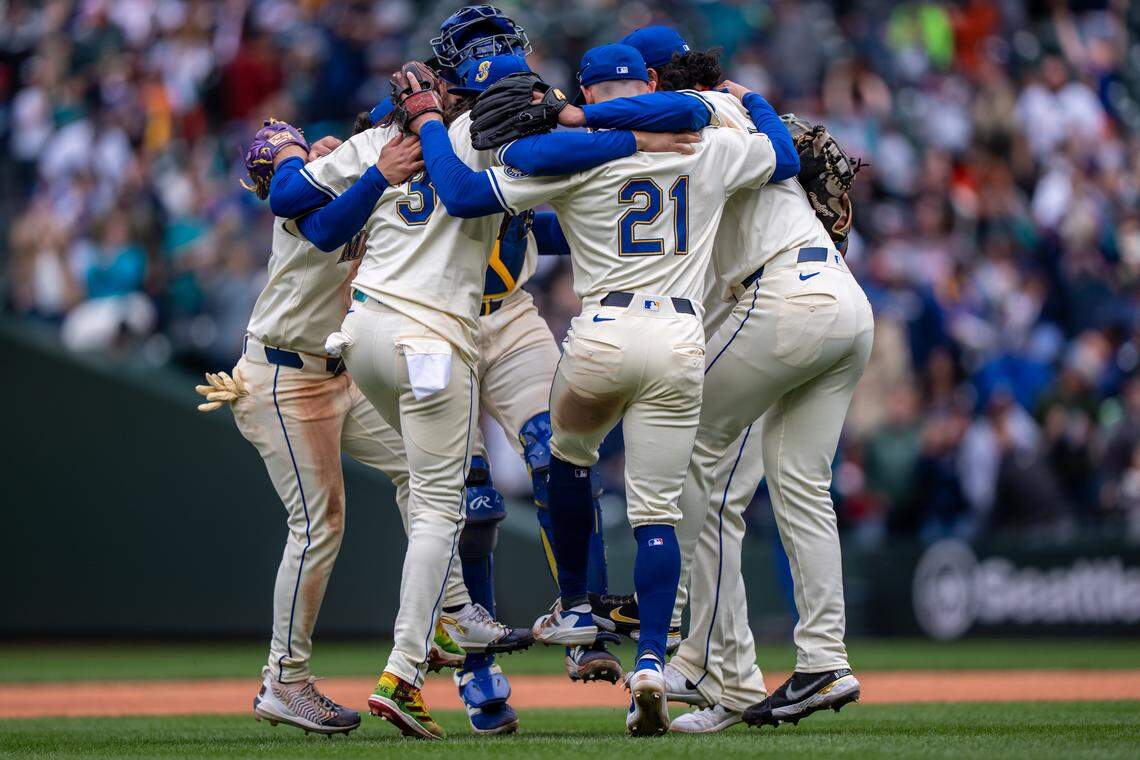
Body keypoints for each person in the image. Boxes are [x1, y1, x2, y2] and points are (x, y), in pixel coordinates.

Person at [406, 43, 793, 735]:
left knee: (566, 460)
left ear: (584, 88)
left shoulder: (577, 153)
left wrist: (555, 124)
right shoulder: (705, 146)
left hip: (602, 332)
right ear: (644, 84)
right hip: (679, 339)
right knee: (655, 516)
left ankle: (578, 603)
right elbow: (783, 156)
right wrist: (749, 98)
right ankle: (650, 662)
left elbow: (481, 189)